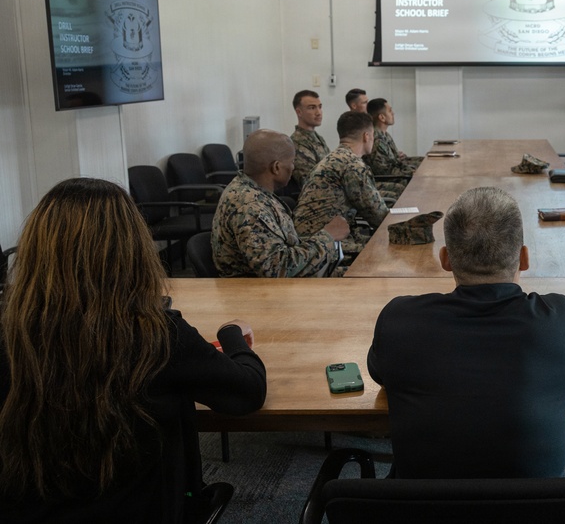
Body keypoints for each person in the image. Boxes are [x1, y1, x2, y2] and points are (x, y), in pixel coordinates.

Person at [0, 178, 266, 523]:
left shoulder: (11, 338)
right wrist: (232, 335)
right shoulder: (158, 336)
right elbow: (247, 393)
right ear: (131, 250)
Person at [367, 186, 565, 478]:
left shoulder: (398, 320)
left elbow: (379, 374)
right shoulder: (563, 320)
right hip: (539, 512)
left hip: (422, 511)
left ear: (445, 259)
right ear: (524, 258)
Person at [212, 129, 349, 277]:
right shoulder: (250, 206)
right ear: (276, 167)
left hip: (282, 285)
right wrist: (328, 236)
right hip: (262, 294)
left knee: (358, 275)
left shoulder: (253, 191)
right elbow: (277, 269)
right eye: (291, 162)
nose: (293, 167)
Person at [294, 110, 388, 253]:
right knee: (385, 249)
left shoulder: (336, 157)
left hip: (313, 239)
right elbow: (379, 216)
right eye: (373, 136)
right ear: (366, 136)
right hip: (321, 245)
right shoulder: (352, 164)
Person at [363, 98, 423, 201]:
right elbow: (385, 171)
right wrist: (413, 172)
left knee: (422, 162)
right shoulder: (376, 139)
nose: (393, 113)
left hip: (394, 173)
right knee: (420, 179)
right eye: (390, 111)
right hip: (387, 178)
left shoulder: (385, 135)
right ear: (382, 117)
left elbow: (396, 161)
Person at [290, 90, 329, 186]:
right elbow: (311, 183)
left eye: (320, 107)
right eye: (312, 108)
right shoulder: (298, 142)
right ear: (299, 112)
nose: (318, 112)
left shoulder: (318, 138)